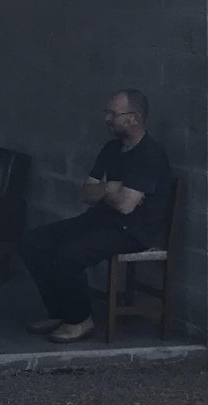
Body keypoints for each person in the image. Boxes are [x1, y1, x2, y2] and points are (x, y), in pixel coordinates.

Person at [21, 88, 174, 344]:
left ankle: (79, 320)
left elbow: (125, 206)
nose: (107, 118)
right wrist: (111, 188)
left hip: (131, 230)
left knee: (69, 256)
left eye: (113, 114)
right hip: (101, 220)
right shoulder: (111, 149)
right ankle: (59, 312)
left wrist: (105, 191)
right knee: (34, 242)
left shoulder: (150, 155)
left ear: (134, 118)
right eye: (107, 112)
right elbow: (87, 192)